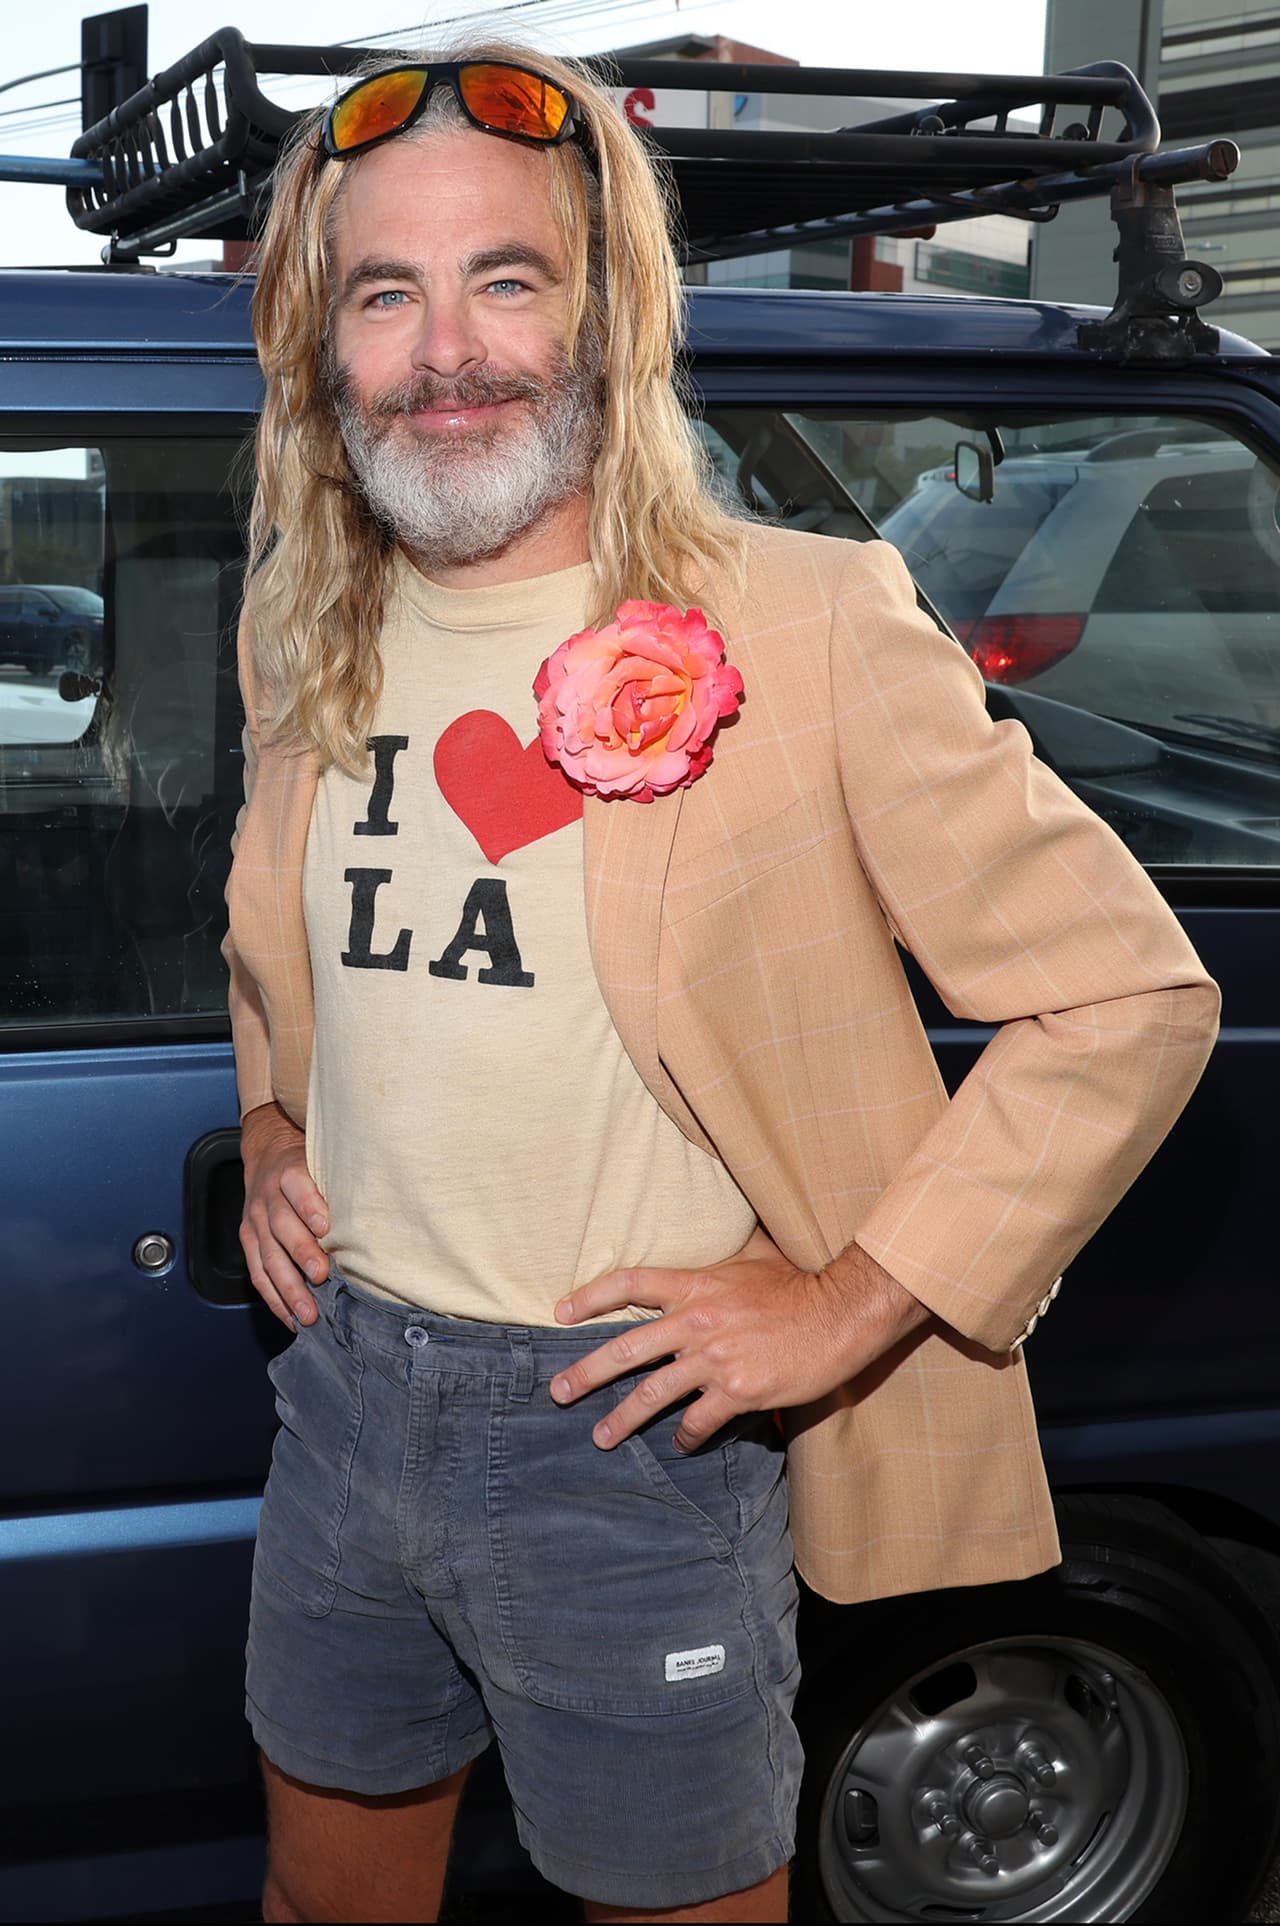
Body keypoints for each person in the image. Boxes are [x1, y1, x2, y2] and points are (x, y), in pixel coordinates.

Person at [223, 43, 1220, 1926]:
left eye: (506, 279)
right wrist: (274, 1113)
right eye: (386, 293)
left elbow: (1126, 997)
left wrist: (854, 1303)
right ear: (322, 344)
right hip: (341, 1397)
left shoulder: (810, 622)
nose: (449, 352)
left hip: (623, 1440)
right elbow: (276, 945)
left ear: (606, 313)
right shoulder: (303, 626)